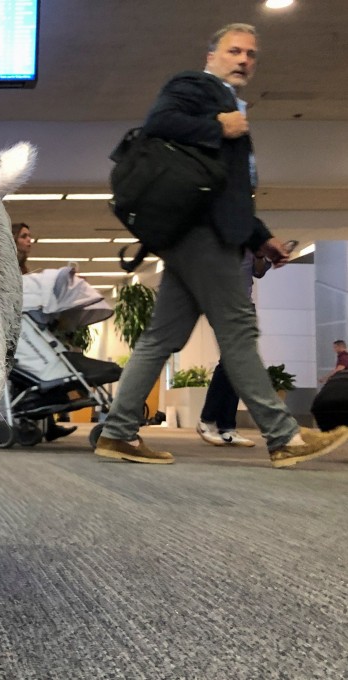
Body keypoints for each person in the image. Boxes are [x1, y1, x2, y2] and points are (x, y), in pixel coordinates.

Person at [94, 23, 348, 468]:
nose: (244, 59)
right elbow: (159, 123)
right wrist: (218, 124)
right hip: (201, 235)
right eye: (235, 50)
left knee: (161, 338)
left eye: (251, 54)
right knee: (238, 332)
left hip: (201, 232)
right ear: (211, 55)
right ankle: (283, 436)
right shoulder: (194, 85)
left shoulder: (232, 104)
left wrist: (260, 237)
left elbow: (225, 189)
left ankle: (117, 433)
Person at [196, 251, 271, 447]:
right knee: (231, 361)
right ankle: (208, 419)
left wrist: (261, 255)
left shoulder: (252, 237)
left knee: (237, 366)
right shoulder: (221, 234)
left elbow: (259, 271)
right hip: (224, 304)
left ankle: (226, 427)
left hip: (246, 305)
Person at [12, 222, 76, 442]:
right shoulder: (4, 266)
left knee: (39, 370)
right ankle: (41, 424)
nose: (30, 240)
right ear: (13, 239)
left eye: (30, 236)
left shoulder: (24, 270)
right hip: (11, 331)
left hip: (22, 328)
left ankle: (48, 425)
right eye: (24, 236)